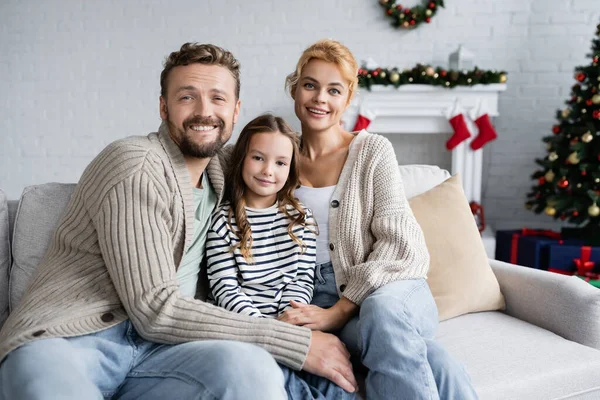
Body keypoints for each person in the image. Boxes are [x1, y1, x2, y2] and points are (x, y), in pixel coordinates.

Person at [0, 42, 357, 400]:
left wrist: (356, 146)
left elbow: (284, 160)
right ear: (163, 106)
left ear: (236, 112)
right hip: (74, 339)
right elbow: (154, 307)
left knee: (252, 371)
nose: (204, 112)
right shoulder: (135, 163)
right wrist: (295, 342)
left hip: (165, 350)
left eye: (218, 99)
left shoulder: (228, 169)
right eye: (187, 97)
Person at [278, 39, 480, 400]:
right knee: (434, 361)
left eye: (333, 90)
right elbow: (217, 163)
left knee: (383, 311)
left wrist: (340, 310)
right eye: (310, 85)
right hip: (319, 299)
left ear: (348, 97)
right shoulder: (275, 155)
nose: (319, 98)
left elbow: (401, 247)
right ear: (294, 88)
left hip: (390, 288)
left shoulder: (372, 151)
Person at [206, 114, 318, 319]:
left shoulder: (301, 219)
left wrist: (287, 320)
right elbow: (225, 289)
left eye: (280, 163)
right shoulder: (222, 222)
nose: (268, 171)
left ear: (290, 168)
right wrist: (266, 328)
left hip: (289, 323)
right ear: (241, 159)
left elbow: (301, 281)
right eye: (258, 158)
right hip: (240, 325)